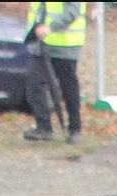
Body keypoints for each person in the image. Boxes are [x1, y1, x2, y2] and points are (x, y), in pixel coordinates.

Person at [23, 1, 85, 142]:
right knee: (34, 83)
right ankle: (44, 127)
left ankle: (75, 129)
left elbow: (72, 12)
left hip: (65, 44)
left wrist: (50, 27)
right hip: (40, 42)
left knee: (68, 87)